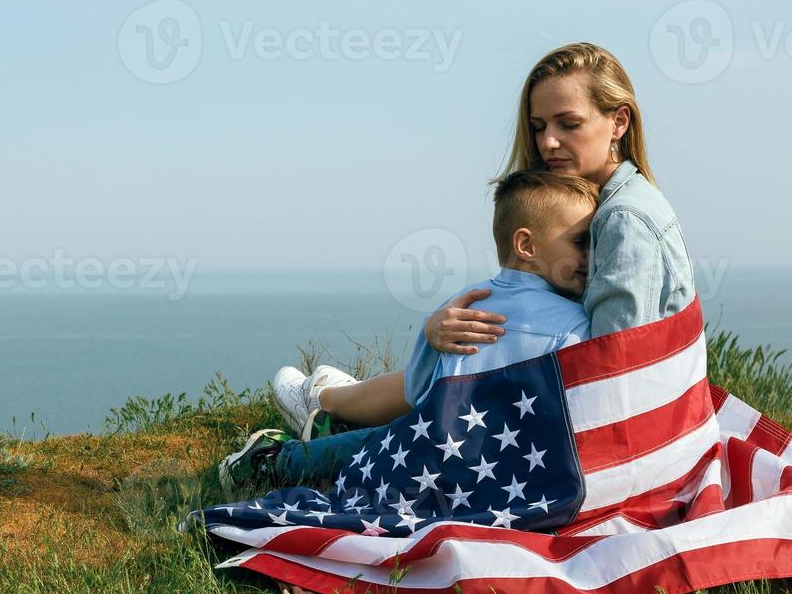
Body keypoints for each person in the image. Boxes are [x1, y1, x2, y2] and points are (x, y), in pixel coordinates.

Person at [274, 42, 697, 436]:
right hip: (584, 410)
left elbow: (609, 372)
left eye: (569, 124)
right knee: (473, 351)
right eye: (538, 126)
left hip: (617, 433)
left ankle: (318, 414)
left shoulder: (624, 220)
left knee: (457, 395)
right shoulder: (608, 200)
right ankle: (328, 397)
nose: (548, 142)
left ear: (619, 121)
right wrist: (438, 330)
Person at [219, 169, 600, 495]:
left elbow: (416, 392)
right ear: (526, 245)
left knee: (389, 438)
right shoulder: (575, 326)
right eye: (581, 241)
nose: (592, 255)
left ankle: (271, 461)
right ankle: (321, 414)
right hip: (500, 475)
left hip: (430, 457)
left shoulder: (457, 306)